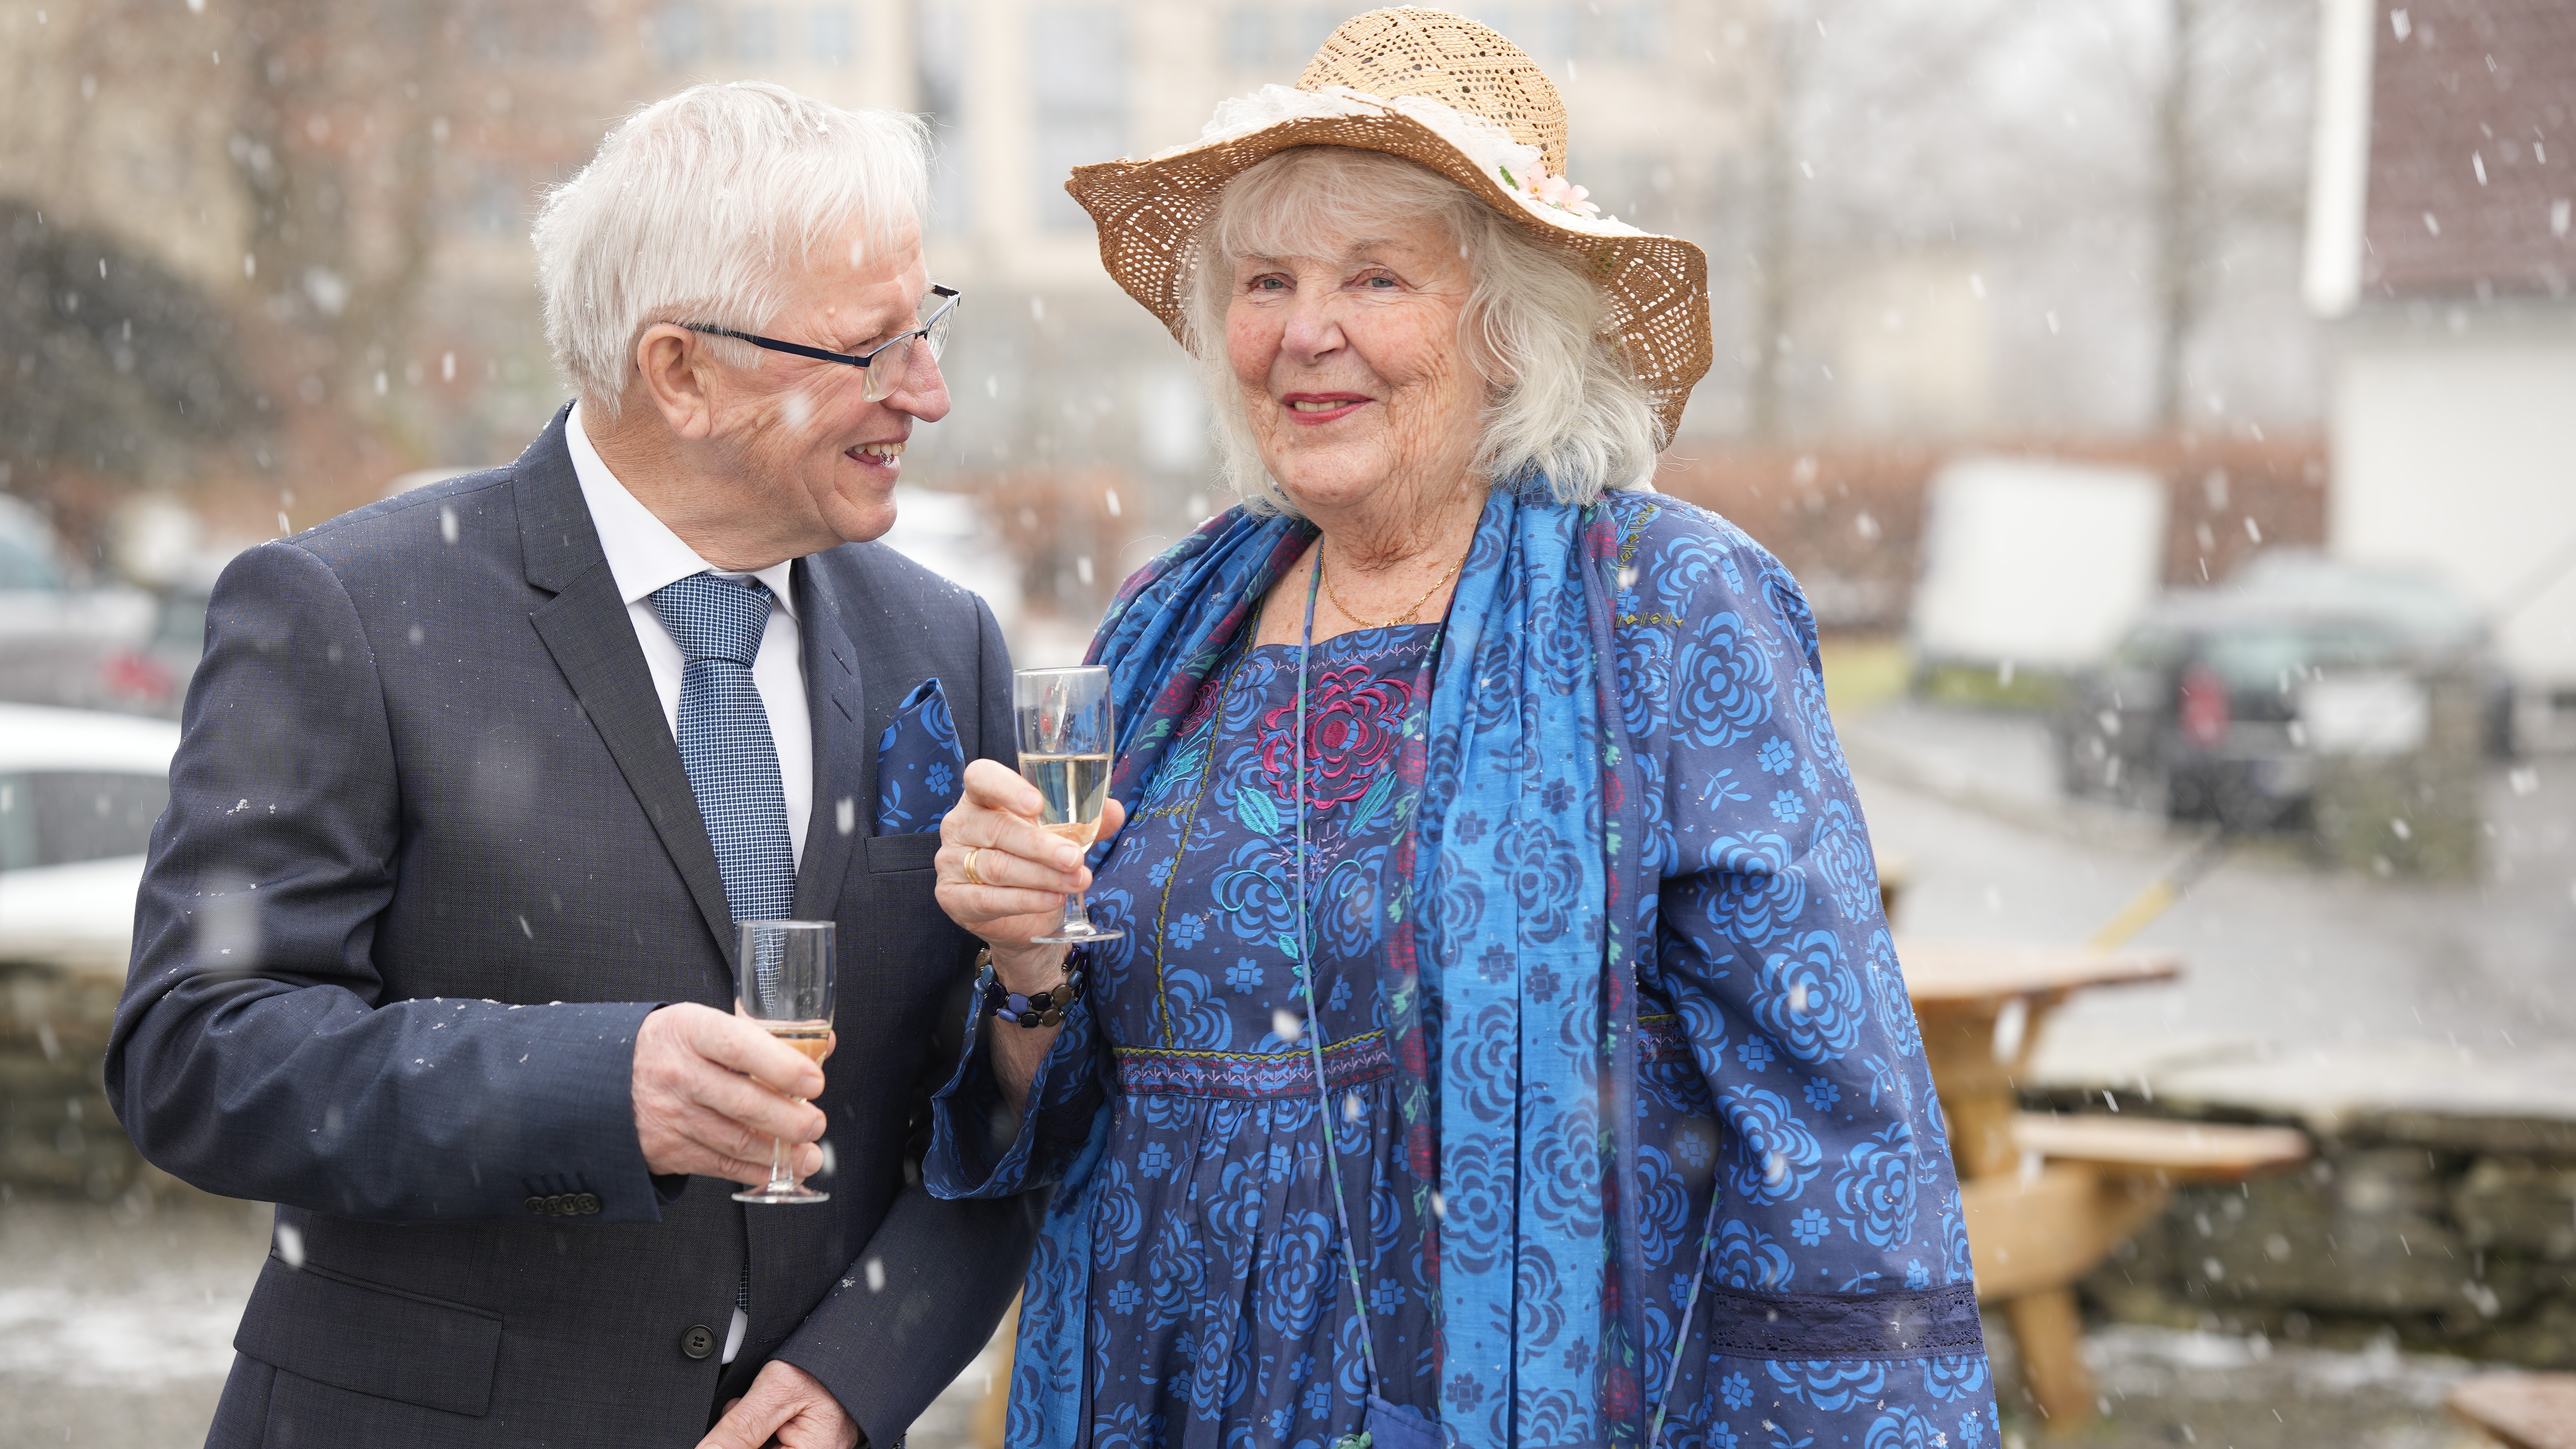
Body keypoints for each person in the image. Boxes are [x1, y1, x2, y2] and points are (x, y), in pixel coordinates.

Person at [924, 10, 1999, 1449]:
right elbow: (1042, 1124)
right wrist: (1026, 967)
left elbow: (1828, 1113)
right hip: (1162, 1393)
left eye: (1376, 277)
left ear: (1511, 328)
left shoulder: (1665, 604)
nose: (1305, 332)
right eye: (1267, 281)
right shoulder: (1169, 621)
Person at [106, 82, 1038, 1449]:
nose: (929, 393)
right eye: (870, 350)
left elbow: (993, 1109)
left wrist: (861, 1371)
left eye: (927, 327)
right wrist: (601, 1088)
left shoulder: (943, 643)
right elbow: (195, 1054)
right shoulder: (346, 611)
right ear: (680, 372)